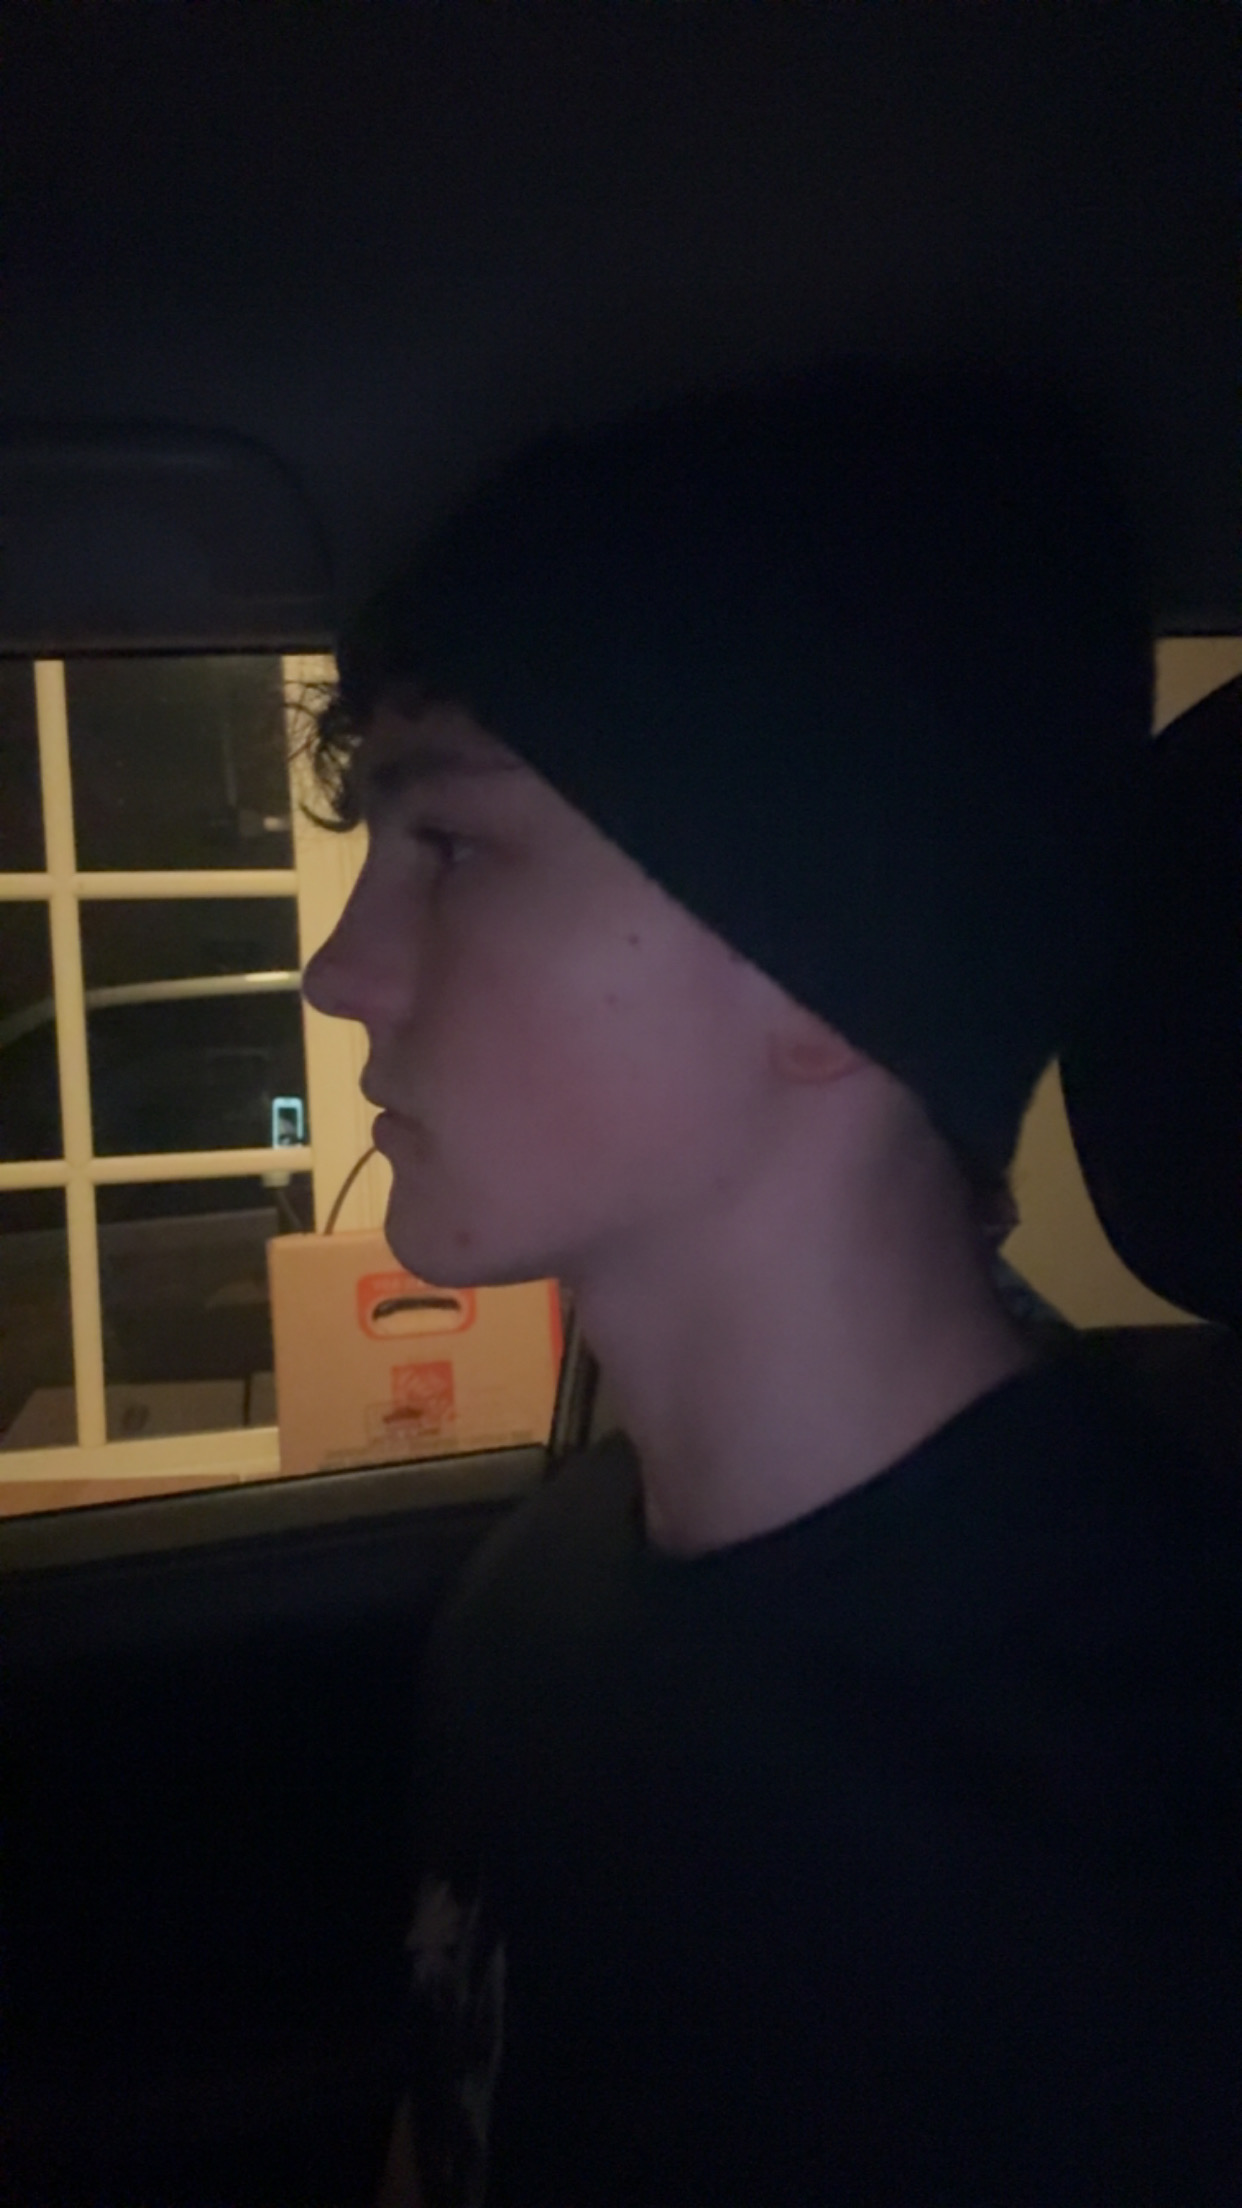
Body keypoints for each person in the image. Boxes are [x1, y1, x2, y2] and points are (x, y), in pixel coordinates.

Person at [302, 363, 1238, 2206]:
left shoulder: (1139, 1845)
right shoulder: (538, 1602)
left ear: (828, 960)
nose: (343, 971)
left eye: (454, 845)